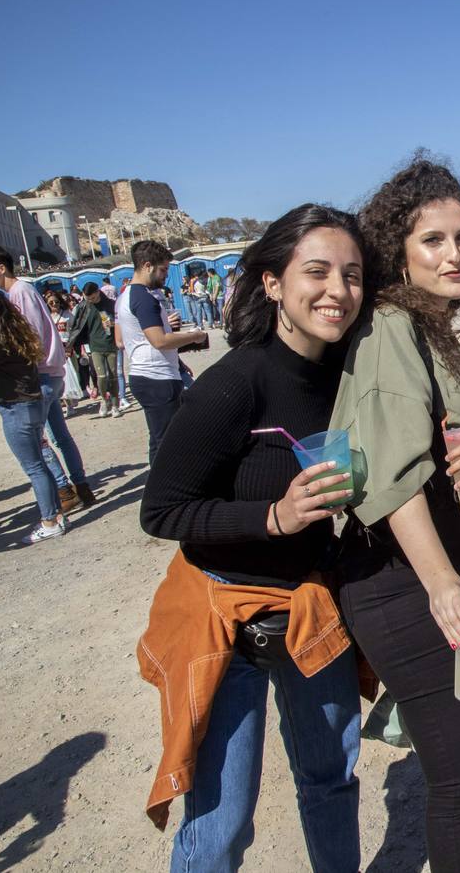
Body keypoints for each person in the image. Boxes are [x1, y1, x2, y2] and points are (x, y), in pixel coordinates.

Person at [139, 204, 367, 872]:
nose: (337, 291)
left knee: (331, 782)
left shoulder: (350, 374)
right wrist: (272, 517)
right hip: (227, 617)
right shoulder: (232, 384)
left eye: (352, 275)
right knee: (221, 817)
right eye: (317, 272)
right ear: (271, 284)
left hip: (312, 607)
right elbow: (163, 510)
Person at [329, 158, 460, 873]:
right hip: (403, 580)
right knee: (459, 771)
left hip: (431, 566)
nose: (456, 254)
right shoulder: (394, 323)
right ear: (397, 248)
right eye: (433, 240)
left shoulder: (431, 323)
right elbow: (392, 476)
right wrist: (440, 581)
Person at [0, 245, 96, 513]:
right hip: (46, 372)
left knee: (39, 441)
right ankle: (80, 486)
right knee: (59, 435)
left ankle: (64, 490)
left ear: (1, 268)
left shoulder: (19, 293)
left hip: (39, 375)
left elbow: (32, 338)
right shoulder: (20, 291)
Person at [0, 290, 66, 543]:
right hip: (28, 404)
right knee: (40, 463)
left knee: (34, 467)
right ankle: (56, 515)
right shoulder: (13, 333)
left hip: (16, 408)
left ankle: (49, 521)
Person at [116, 240, 206, 464]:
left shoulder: (126, 296)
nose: (165, 275)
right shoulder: (143, 298)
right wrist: (195, 336)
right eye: (163, 269)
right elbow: (159, 340)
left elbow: (129, 339)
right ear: (147, 266)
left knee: (159, 440)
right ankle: (162, 494)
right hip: (157, 378)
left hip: (149, 375)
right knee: (167, 443)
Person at [67, 282, 123, 418]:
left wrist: (113, 323)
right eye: (88, 298)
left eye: (92, 298)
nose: (90, 301)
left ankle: (116, 405)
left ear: (98, 292)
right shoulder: (85, 307)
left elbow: (122, 320)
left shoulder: (111, 304)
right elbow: (77, 326)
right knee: (102, 376)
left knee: (113, 375)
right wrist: (71, 345)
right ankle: (104, 400)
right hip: (94, 345)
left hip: (110, 344)